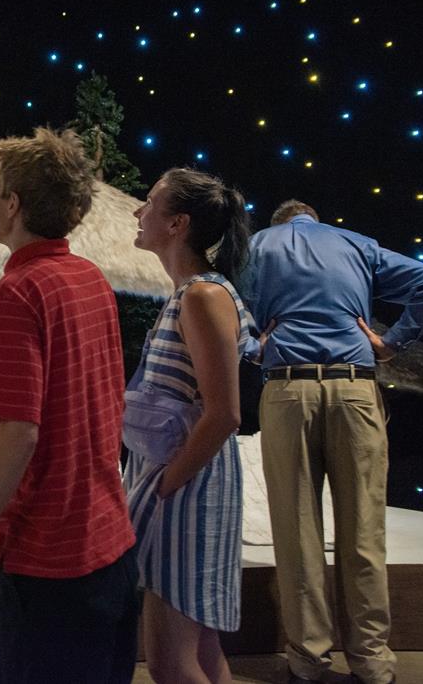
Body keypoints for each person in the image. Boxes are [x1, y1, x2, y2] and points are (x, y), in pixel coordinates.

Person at [0, 127, 138, 684]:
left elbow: (19, 433)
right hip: (111, 547)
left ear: (13, 204)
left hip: (51, 564)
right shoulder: (89, 277)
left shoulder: (18, 291)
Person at [243, 200, 423, 684]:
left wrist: (253, 346)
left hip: (287, 389)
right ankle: (373, 662)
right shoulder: (356, 244)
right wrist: (394, 341)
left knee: (297, 533)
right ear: (314, 219)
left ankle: (308, 661)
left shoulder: (256, 247)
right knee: (363, 530)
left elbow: (210, 295)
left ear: (280, 222)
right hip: (356, 388)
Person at [125, 167, 254, 684]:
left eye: (150, 202)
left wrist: (167, 486)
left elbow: (225, 412)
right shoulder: (188, 294)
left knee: (170, 663)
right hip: (182, 480)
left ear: (177, 223)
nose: (139, 211)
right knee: (198, 651)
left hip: (187, 486)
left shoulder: (202, 296)